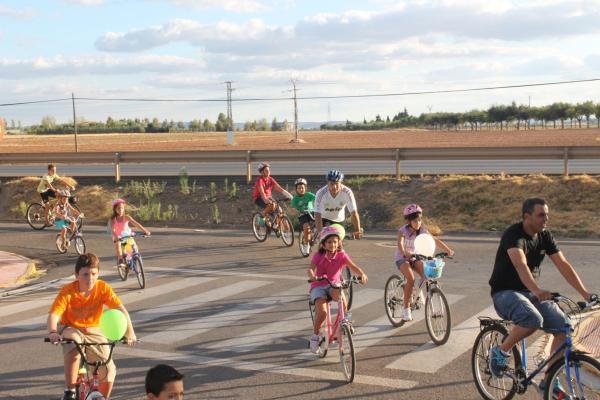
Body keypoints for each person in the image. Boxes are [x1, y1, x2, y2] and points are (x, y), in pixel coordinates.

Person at [487, 198, 595, 390]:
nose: (546, 219)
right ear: (526, 216)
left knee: (564, 328)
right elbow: (520, 264)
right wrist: (536, 290)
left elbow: (563, 265)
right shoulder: (513, 235)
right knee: (531, 318)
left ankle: (549, 381)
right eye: (541, 215)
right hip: (505, 293)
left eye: (547, 215)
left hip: (529, 293)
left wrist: (585, 294)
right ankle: (500, 351)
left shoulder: (545, 236)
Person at [47, 253, 137, 400]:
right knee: (74, 342)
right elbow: (54, 315)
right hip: (71, 327)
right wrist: (52, 332)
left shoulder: (103, 288)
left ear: (98, 273)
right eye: (85, 274)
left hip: (94, 330)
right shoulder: (68, 291)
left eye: (94, 274)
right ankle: (69, 390)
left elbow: (122, 311)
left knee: (108, 369)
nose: (90, 278)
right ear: (76, 275)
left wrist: (130, 333)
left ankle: (100, 397)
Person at [307, 225, 368, 353]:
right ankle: (315, 336)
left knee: (342, 301)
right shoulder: (318, 255)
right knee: (322, 312)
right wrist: (312, 276)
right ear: (323, 244)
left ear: (339, 242)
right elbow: (311, 268)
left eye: (335, 241)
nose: (332, 245)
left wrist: (361, 274)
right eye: (329, 242)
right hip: (318, 286)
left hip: (333, 285)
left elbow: (353, 266)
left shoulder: (341, 255)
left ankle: (342, 325)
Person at [395, 203, 454, 321]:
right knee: (410, 279)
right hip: (403, 258)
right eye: (415, 221)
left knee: (427, 274)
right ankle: (406, 310)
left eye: (419, 220)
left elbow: (434, 240)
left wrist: (448, 250)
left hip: (417, 256)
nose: (418, 223)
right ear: (409, 221)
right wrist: (404, 252)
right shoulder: (403, 231)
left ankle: (417, 290)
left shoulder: (422, 230)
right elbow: (400, 244)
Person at [314, 169, 362, 239]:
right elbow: (317, 214)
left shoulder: (347, 192)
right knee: (324, 241)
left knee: (338, 241)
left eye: (337, 183)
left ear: (341, 183)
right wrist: (320, 232)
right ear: (328, 183)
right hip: (323, 218)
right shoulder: (321, 193)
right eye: (332, 184)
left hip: (339, 220)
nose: (334, 187)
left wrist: (357, 231)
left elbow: (354, 213)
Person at [110, 199, 150, 268]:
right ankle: (120, 260)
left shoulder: (126, 217)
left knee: (133, 249)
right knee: (118, 245)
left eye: (122, 208)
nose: (121, 210)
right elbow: (113, 230)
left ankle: (131, 261)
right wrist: (116, 236)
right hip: (119, 236)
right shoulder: (113, 220)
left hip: (127, 235)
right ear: (115, 210)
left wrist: (145, 230)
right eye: (118, 208)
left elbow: (136, 224)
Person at [251, 162, 293, 228]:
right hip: (259, 198)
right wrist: (266, 200)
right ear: (262, 172)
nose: (268, 171)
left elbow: (279, 188)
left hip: (269, 197)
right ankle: (261, 219)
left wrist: (288, 195)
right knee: (272, 205)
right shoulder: (260, 181)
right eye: (266, 170)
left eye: (269, 170)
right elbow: (262, 193)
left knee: (279, 210)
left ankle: (275, 225)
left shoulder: (270, 179)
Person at [289, 178, 316, 252]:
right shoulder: (295, 198)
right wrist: (295, 210)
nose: (301, 189)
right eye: (299, 188)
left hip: (312, 212)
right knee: (306, 228)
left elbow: (317, 199)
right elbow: (292, 208)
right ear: (296, 189)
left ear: (305, 188)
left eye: (302, 188)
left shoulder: (309, 195)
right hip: (302, 215)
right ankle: (306, 244)